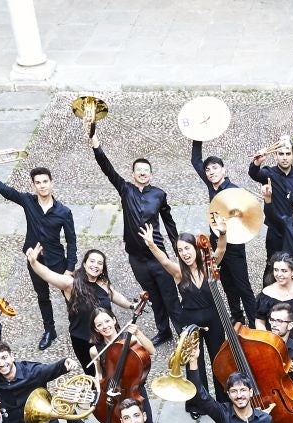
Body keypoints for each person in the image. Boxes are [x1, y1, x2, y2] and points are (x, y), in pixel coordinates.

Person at [88, 130, 181, 342]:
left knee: (170, 296)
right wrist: (95, 142)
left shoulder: (159, 194)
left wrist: (177, 247)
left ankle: (182, 332)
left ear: (151, 174)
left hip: (158, 255)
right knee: (154, 296)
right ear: (132, 174)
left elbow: (168, 220)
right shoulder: (125, 189)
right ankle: (163, 331)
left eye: (146, 170)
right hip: (137, 258)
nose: (142, 173)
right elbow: (106, 166)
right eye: (138, 170)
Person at [0, 161, 76, 345]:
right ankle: (49, 330)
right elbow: (3, 190)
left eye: (45, 181)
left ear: (51, 183)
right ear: (34, 185)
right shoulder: (28, 202)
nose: (42, 185)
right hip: (35, 260)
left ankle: (77, 326)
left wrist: (70, 268)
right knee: (42, 296)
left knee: (70, 294)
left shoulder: (64, 212)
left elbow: (71, 241)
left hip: (56, 260)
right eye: (38, 182)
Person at [139, 228, 227, 399]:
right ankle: (199, 400)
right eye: (180, 250)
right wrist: (151, 244)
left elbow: (221, 249)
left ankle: (223, 398)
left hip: (214, 317)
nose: (184, 253)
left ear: (196, 248)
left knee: (218, 357)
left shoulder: (209, 266)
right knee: (194, 361)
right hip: (191, 319)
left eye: (187, 248)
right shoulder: (179, 272)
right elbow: (164, 261)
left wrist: (222, 234)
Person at [25, 246, 139, 372]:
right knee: (95, 374)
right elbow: (48, 275)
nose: (95, 265)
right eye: (92, 261)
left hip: (106, 334)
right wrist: (34, 263)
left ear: (102, 268)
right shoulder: (71, 284)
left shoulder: (103, 282)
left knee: (117, 367)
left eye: (100, 263)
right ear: (84, 263)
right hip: (84, 340)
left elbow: (113, 295)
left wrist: (131, 305)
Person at [188, 141, 260, 324]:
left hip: (234, 244)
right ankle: (237, 316)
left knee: (243, 286)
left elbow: (248, 215)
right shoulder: (211, 185)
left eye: (215, 168)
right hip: (216, 244)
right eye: (208, 170)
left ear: (224, 170)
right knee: (227, 284)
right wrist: (198, 137)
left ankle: (254, 322)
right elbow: (195, 160)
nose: (211, 172)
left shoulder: (233, 190)